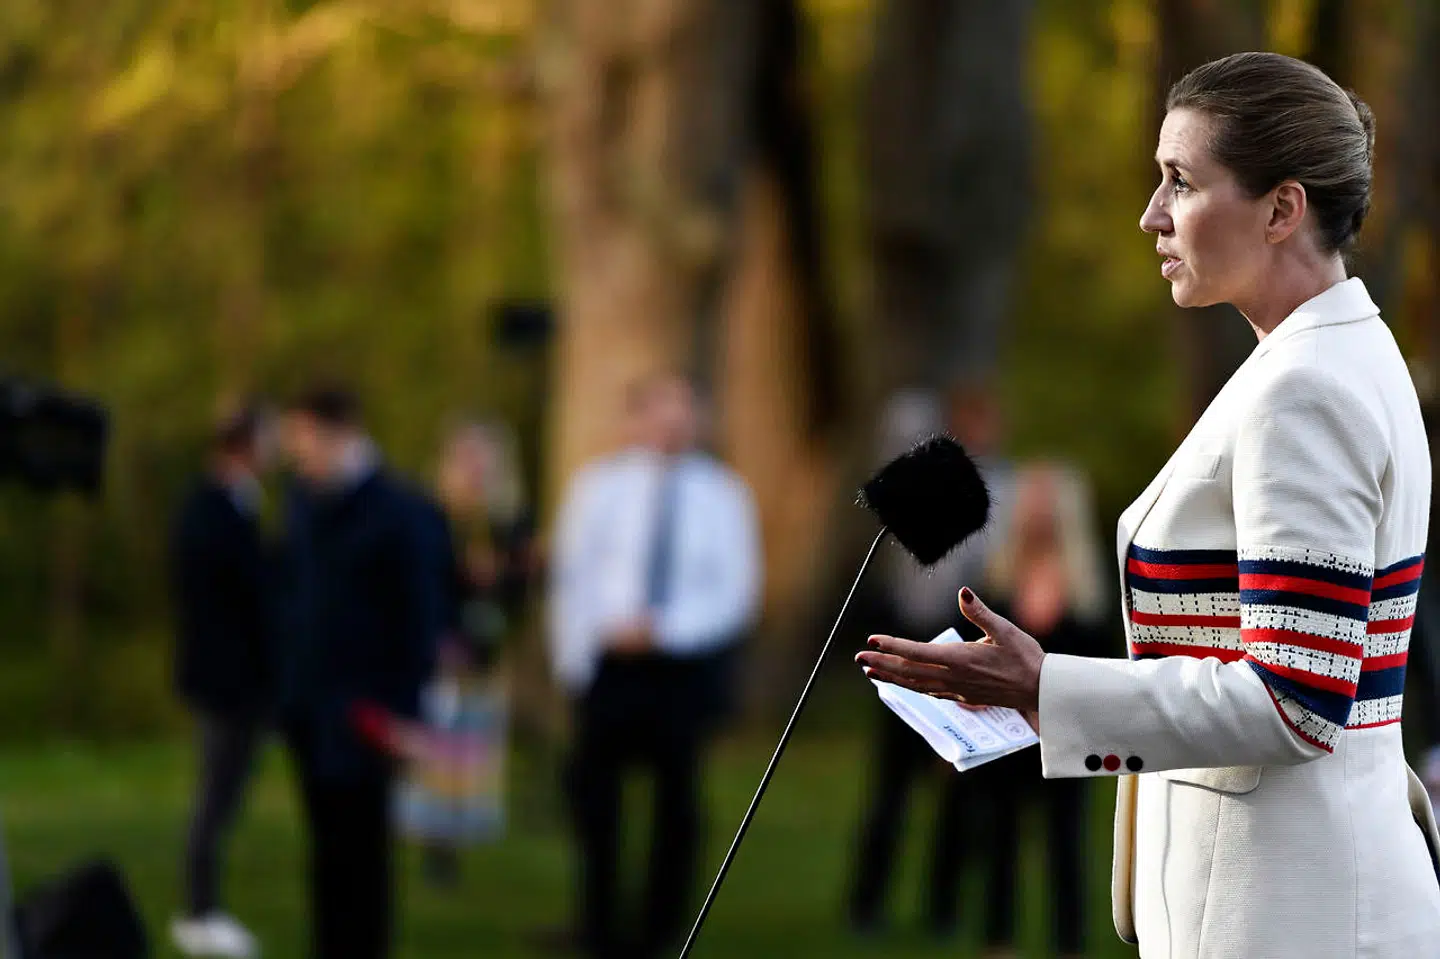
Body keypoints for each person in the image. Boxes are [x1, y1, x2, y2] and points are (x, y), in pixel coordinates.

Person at [856, 52, 1440, 958]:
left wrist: (1044, 686)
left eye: (1179, 181)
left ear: (1283, 209)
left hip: (1294, 915)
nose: (1150, 214)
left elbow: (1295, 697)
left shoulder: (1305, 390)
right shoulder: (1334, 355)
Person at [549, 372, 762, 959]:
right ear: (634, 419)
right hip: (609, 667)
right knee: (596, 801)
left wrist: (665, 631)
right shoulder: (599, 487)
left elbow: (736, 591)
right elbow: (574, 577)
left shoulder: (723, 494)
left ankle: (660, 930)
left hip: (680, 670)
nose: (672, 426)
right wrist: (578, 658)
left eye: (684, 413)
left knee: (677, 804)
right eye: (660, 413)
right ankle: (596, 923)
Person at [274, 387, 444, 959]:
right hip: (310, 708)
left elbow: (420, 619)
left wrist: (405, 713)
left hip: (370, 711)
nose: (298, 457)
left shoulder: (400, 511)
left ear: (338, 434)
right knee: (324, 848)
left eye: (304, 444)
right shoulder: (303, 501)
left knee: (363, 851)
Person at [847, 384, 1016, 939]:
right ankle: (867, 905)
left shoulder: (1003, 492)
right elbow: (899, 420)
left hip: (962, 648)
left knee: (960, 787)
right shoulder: (921, 480)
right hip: (907, 639)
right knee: (891, 788)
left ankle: (943, 907)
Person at [979, 463, 1111, 959]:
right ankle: (998, 941)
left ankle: (1069, 943)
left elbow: (1100, 657)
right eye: (1027, 499)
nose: (1035, 511)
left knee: (1066, 842)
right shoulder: (999, 578)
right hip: (1006, 733)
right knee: (1001, 838)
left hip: (1064, 732)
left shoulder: (1086, 586)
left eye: (1044, 498)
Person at [169, 405, 272, 959]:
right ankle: (199, 910)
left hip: (237, 678)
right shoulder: (209, 509)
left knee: (222, 794)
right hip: (224, 680)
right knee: (214, 795)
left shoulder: (233, 506)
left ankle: (203, 906)